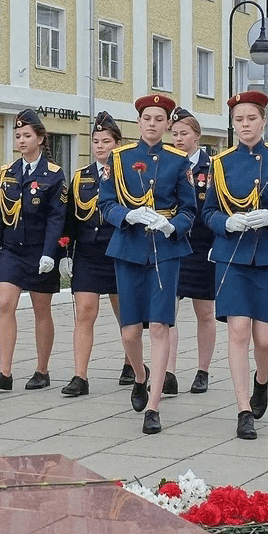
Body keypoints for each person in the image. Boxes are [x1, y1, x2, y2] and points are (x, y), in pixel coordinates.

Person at [100, 94, 196, 435]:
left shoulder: (178, 160)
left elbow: (189, 210)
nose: (153, 123)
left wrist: (174, 226)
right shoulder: (120, 157)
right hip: (128, 247)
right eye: (147, 118)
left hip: (165, 250)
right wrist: (128, 214)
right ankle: (140, 376)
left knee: (159, 326)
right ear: (138, 123)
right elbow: (106, 203)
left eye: (159, 118)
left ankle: (154, 405)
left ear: (167, 124)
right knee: (129, 331)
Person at [204, 91, 268, 439]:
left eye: (251, 119)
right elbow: (209, 211)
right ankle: (243, 409)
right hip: (233, 257)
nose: (245, 125)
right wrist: (225, 223)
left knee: (265, 339)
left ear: (263, 120)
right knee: (238, 331)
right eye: (239, 120)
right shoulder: (221, 163)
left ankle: (262, 380)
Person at [0, 109, 67, 391]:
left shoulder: (53, 175)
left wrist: (50, 252)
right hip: (11, 250)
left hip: (39, 251)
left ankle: (42, 370)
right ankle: (4, 372)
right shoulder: (8, 173)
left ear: (40, 138)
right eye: (18, 136)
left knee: (41, 309)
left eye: (27, 135)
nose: (21, 140)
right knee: (6, 305)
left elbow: (57, 217)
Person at [60, 112, 124, 397]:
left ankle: (131, 363)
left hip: (118, 251)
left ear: (117, 143)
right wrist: (65, 252)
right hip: (87, 252)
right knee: (85, 313)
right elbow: (70, 219)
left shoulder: (128, 175)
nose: (100, 146)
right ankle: (80, 375)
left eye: (106, 141)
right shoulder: (81, 177)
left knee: (126, 314)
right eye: (96, 141)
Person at [168, 107, 217, 395]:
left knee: (205, 311)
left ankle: (203, 370)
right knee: (167, 312)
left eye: (184, 133)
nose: (178, 139)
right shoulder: (168, 165)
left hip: (202, 246)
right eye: (174, 134)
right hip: (173, 244)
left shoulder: (212, 168)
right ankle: (169, 371)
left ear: (197, 136)